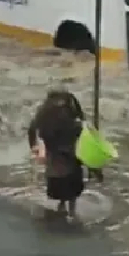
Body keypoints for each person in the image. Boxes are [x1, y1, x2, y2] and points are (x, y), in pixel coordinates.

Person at [28, 88, 86, 217]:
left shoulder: (44, 114)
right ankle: (69, 209)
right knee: (71, 186)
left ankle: (63, 206)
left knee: (62, 184)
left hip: (56, 160)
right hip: (68, 157)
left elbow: (32, 129)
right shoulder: (68, 113)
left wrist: (33, 145)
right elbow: (80, 126)